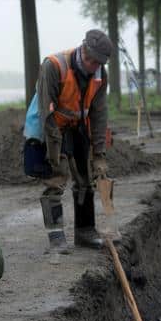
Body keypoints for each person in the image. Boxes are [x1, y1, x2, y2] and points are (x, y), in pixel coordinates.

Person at [36, 29, 114, 249]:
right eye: (89, 59)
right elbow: (46, 112)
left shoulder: (100, 75)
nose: (92, 65)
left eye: (97, 63)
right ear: (83, 48)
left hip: (79, 128)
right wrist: (54, 152)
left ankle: (85, 232)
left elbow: (99, 114)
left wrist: (99, 154)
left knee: (86, 178)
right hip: (54, 127)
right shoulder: (53, 66)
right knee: (56, 179)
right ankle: (56, 235)